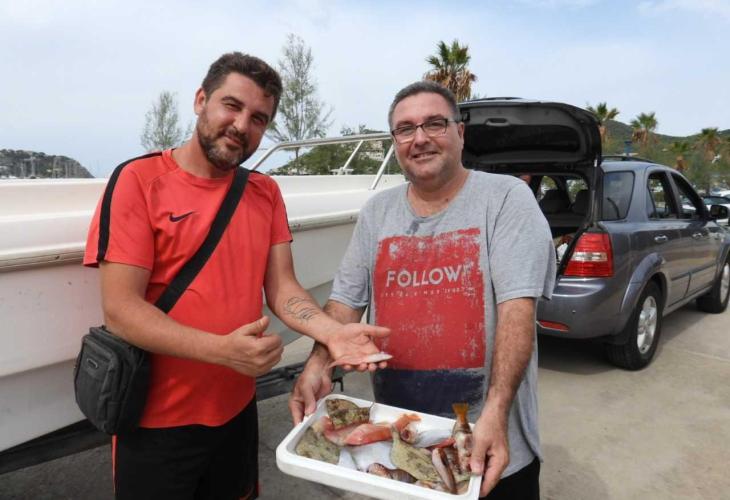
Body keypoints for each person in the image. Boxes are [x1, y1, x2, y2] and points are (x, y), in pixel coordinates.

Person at [83, 52, 388, 500]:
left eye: (259, 118)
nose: (242, 125)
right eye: (232, 105)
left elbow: (283, 287)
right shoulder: (138, 180)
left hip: (236, 413)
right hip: (154, 422)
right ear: (200, 100)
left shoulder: (264, 192)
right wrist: (223, 351)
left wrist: (331, 333)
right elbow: (121, 310)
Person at [289, 80, 555, 499]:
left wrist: (496, 410)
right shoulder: (377, 212)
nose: (420, 138)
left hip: (487, 445)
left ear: (460, 132)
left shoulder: (506, 198)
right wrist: (317, 364)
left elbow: (516, 312)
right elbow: (344, 302)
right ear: (395, 141)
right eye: (405, 129)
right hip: (402, 445)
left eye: (434, 124)